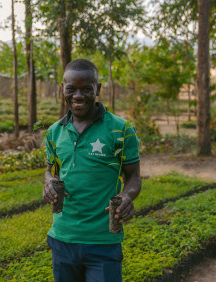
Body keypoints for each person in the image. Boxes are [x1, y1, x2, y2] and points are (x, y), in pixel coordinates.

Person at [44, 58, 141, 282]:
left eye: (86, 89)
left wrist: (127, 195)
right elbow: (51, 171)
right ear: (63, 89)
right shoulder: (54, 132)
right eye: (71, 89)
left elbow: (134, 176)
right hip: (63, 238)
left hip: (103, 242)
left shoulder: (121, 130)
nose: (78, 95)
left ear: (98, 88)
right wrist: (49, 181)